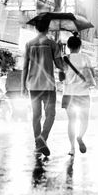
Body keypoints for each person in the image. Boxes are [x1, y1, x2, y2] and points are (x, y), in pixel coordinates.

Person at [22, 18, 64, 157]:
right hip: (48, 86)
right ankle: (42, 138)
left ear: (36, 29)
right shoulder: (51, 44)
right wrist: (61, 53)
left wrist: (23, 85)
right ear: (47, 29)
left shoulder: (29, 44)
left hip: (33, 86)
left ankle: (37, 144)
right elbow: (60, 65)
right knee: (50, 114)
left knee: (36, 116)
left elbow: (25, 66)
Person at [61, 34, 95, 156]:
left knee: (71, 121)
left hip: (69, 94)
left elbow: (60, 77)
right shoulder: (85, 58)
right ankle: (80, 136)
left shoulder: (65, 58)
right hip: (83, 94)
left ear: (68, 46)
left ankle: (72, 148)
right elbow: (92, 75)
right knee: (84, 120)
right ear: (80, 46)